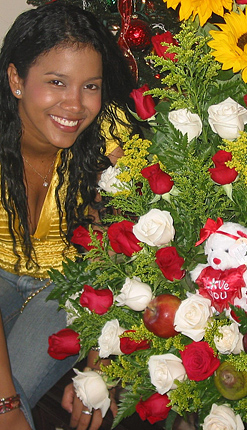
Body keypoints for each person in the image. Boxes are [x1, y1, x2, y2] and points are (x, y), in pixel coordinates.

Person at [0, 1, 138, 429]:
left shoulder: (111, 134)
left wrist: (102, 354)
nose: (75, 105)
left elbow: (138, 238)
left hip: (69, 287)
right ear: (16, 79)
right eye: (57, 82)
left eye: (90, 86)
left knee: (15, 385)